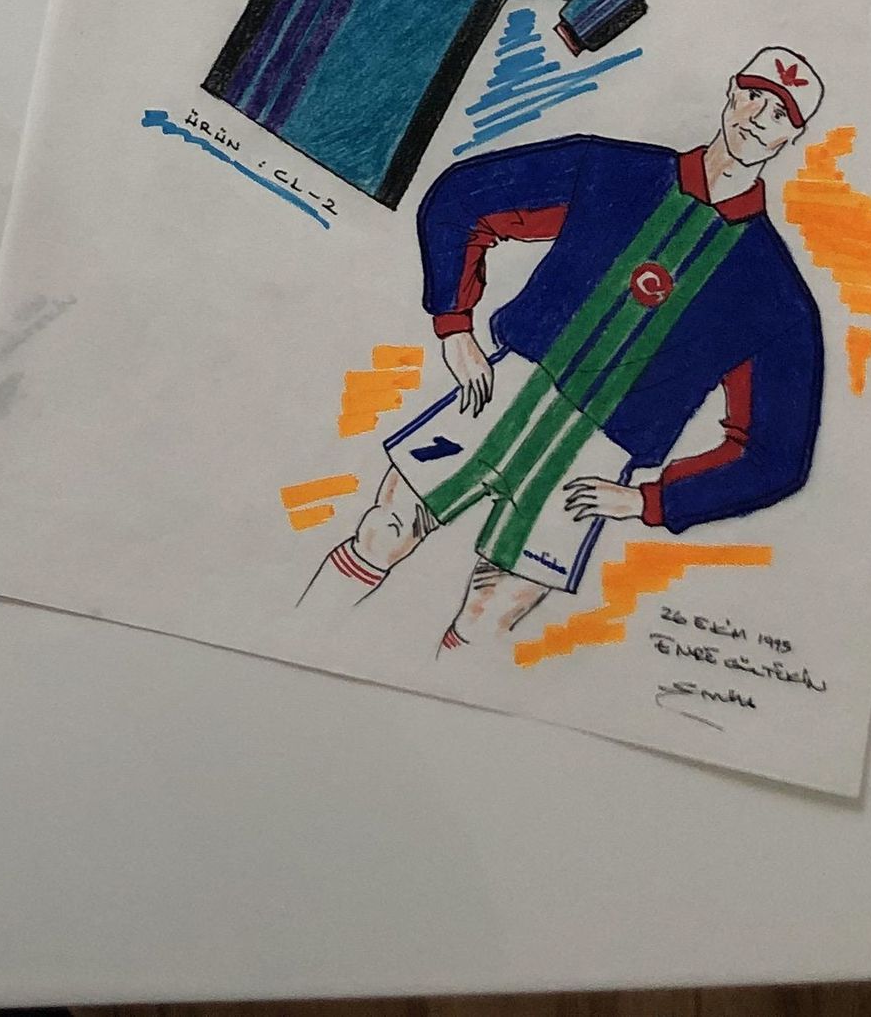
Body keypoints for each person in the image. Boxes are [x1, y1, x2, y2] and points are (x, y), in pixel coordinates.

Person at [307, 49, 826, 650]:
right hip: (497, 398)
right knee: (382, 534)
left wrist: (650, 502)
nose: (759, 117)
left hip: (593, 463)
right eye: (755, 95)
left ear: (794, 136)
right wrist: (454, 327)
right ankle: (299, 629)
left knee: (487, 622)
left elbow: (776, 457)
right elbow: (462, 198)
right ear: (732, 90)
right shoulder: (612, 171)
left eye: (781, 113)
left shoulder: (775, 294)